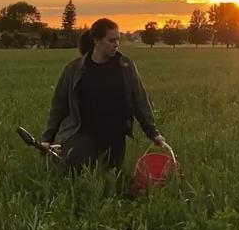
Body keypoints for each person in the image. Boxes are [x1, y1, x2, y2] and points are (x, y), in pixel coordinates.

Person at [41, 17, 167, 171]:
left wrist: (153, 134)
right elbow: (59, 105)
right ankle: (67, 155)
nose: (116, 44)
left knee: (111, 175)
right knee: (80, 164)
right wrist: (48, 138)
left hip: (114, 135)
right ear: (96, 40)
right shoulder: (74, 70)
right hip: (82, 131)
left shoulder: (125, 66)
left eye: (118, 40)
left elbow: (139, 101)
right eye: (111, 40)